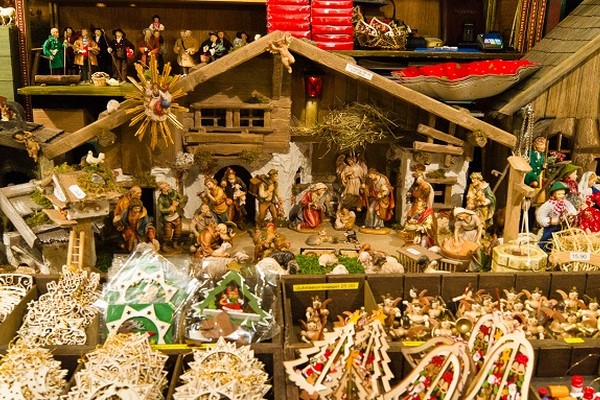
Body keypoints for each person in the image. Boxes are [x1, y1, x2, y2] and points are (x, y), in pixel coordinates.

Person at [536, 181, 578, 252]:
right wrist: (550, 221)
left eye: (563, 194)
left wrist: (571, 216)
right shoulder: (549, 204)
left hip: (563, 226)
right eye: (559, 194)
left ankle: (561, 250)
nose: (561, 196)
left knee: (565, 237)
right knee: (547, 237)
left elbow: (572, 210)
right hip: (552, 227)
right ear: (554, 194)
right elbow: (540, 215)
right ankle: (544, 249)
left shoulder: (565, 203)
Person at [157, 182, 187, 252]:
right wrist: (169, 209)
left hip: (176, 216)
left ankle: (174, 243)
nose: (165, 188)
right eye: (163, 188)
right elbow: (161, 209)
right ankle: (164, 245)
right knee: (168, 234)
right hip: (168, 218)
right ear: (161, 190)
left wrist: (178, 202)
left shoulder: (174, 193)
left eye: (166, 186)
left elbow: (184, 198)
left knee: (178, 232)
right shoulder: (160, 198)